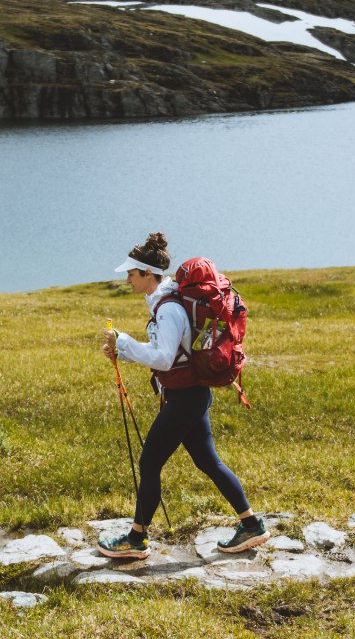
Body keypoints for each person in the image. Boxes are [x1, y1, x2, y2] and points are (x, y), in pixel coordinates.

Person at [96, 231, 268, 559]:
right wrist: (124, 348)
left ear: (148, 274)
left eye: (131, 274)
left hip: (185, 399)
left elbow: (163, 357)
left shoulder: (168, 309)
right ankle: (251, 525)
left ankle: (136, 539)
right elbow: (171, 354)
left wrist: (123, 343)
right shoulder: (166, 300)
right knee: (208, 462)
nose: (127, 280)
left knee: (150, 463)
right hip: (191, 395)